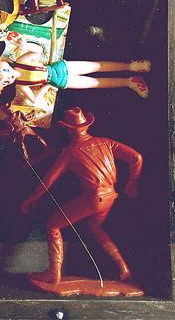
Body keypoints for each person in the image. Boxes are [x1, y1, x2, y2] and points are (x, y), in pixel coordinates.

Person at [21, 107, 141, 284]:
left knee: (53, 226)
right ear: (86, 126)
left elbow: (49, 179)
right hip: (110, 196)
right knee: (95, 229)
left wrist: (33, 198)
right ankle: (124, 269)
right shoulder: (105, 142)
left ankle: (54, 272)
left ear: (68, 129)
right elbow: (136, 157)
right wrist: (132, 182)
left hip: (93, 198)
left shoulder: (70, 152)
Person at [0, 40, 150, 104]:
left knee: (97, 66)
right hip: (60, 82)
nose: (8, 77)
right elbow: (34, 100)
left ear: (4, 63)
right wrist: (48, 86)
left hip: (61, 68)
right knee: (95, 83)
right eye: (4, 82)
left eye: (4, 71)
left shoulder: (20, 62)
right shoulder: (21, 86)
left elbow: (38, 50)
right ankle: (130, 82)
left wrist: (25, 46)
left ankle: (132, 66)